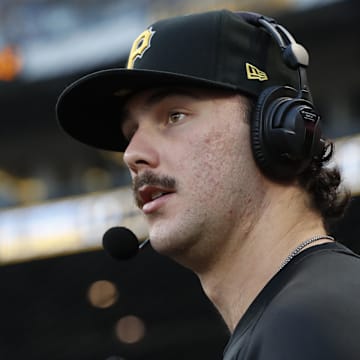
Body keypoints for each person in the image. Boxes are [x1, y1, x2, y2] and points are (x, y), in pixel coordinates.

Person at [56, 9, 360, 359]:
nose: (132, 154)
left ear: (279, 132)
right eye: (130, 134)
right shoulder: (298, 314)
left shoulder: (306, 323)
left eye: (174, 116)